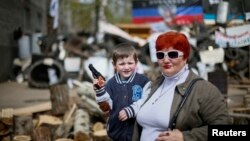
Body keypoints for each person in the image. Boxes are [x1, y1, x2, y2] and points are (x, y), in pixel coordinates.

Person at [132, 31, 232, 141]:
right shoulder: (154, 84)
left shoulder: (203, 89)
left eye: (172, 54)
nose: (165, 60)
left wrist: (185, 137)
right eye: (160, 55)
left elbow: (225, 130)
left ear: (185, 57)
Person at [93, 42, 151, 141]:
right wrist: (100, 91)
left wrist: (131, 110)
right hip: (116, 133)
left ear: (136, 62)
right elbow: (106, 107)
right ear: (114, 64)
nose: (126, 67)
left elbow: (147, 101)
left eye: (130, 63)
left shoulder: (143, 81)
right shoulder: (110, 84)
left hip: (138, 134)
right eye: (122, 64)